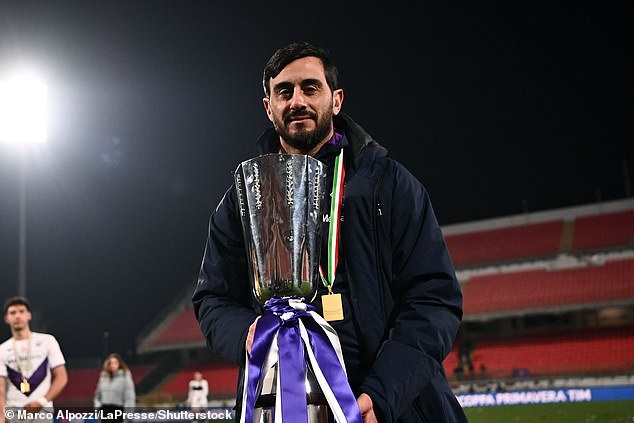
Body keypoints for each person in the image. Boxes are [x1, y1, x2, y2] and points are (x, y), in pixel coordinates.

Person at [192, 41, 467, 423]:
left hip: (393, 407)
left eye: (310, 87)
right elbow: (212, 299)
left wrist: (384, 392)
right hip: (286, 406)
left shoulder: (391, 186)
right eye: (284, 91)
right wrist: (247, 333)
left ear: (336, 100)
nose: (297, 101)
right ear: (268, 107)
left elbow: (434, 299)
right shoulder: (242, 200)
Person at [0, 297, 68, 423]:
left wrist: (41, 402)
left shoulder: (47, 341)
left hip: (42, 413)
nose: (17, 316)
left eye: (21, 311)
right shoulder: (2, 349)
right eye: (13, 313)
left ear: (29, 315)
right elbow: (0, 388)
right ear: (6, 319)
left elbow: (62, 376)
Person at [93, 353, 136, 422]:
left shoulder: (125, 378)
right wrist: (98, 413)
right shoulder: (103, 378)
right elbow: (97, 397)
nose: (113, 365)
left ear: (120, 364)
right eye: (111, 363)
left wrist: (127, 417)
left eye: (115, 362)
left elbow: (129, 398)